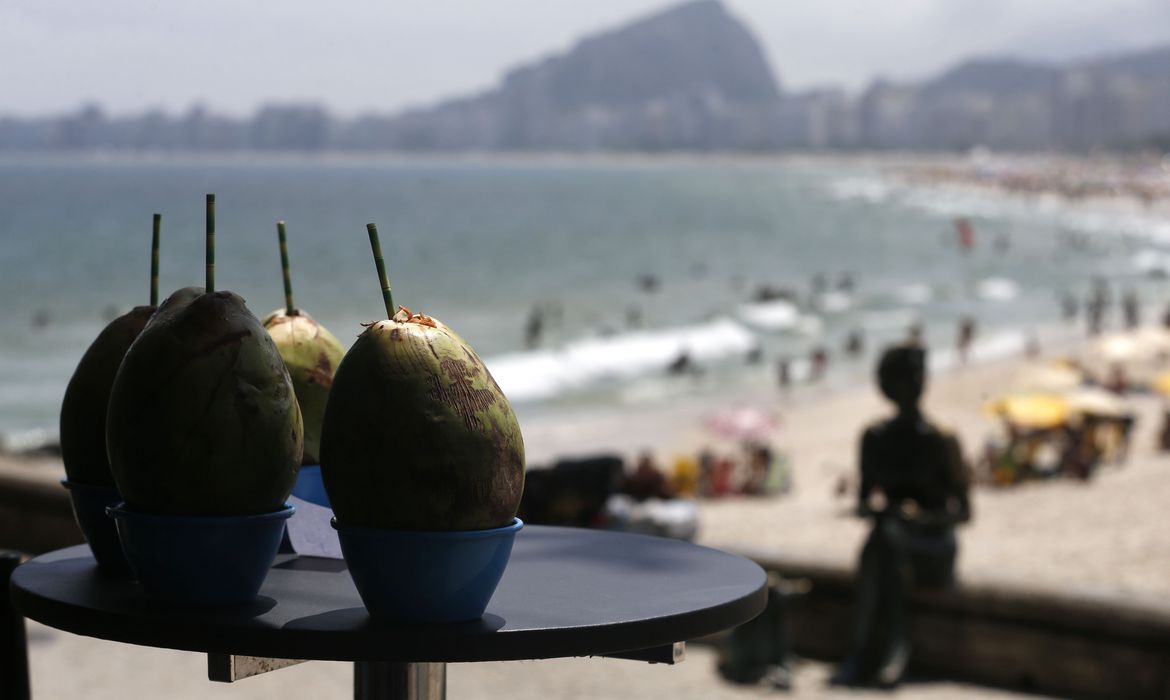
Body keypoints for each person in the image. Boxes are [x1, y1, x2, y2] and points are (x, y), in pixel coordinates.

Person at [833, 345, 971, 688]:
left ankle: (870, 651)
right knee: (886, 537)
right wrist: (887, 513)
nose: (913, 383)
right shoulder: (874, 438)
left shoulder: (941, 439)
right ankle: (889, 649)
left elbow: (964, 513)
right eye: (905, 377)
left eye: (917, 375)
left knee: (885, 540)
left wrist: (919, 517)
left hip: (932, 544)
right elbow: (864, 504)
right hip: (890, 542)